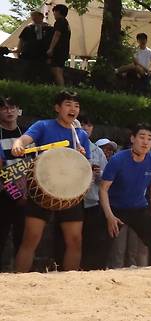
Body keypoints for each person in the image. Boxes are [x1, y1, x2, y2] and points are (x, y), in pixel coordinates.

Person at [11, 90, 90, 272]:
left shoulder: (81, 136)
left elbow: (85, 167)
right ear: (57, 107)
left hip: (71, 191)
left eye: (76, 105)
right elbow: (24, 139)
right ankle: (19, 280)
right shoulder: (43, 126)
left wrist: (82, 158)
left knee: (75, 241)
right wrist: (18, 144)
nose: (73, 109)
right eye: (68, 104)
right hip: (43, 187)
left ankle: (69, 283)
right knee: (31, 238)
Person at [99, 123, 151, 266]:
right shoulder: (118, 159)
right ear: (132, 139)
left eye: (149, 138)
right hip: (114, 207)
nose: (145, 142)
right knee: (99, 248)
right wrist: (109, 216)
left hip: (138, 208)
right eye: (141, 137)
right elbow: (103, 189)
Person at [78, 115, 111, 270]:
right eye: (83, 124)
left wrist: (99, 173)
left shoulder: (97, 151)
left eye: (89, 125)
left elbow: (106, 179)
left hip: (92, 201)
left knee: (92, 239)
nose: (86, 128)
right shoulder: (67, 148)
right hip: (70, 202)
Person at [0, 97, 26, 270]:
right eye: (4, 108)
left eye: (12, 107)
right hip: (3, 194)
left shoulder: (27, 135)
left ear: (18, 110)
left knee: (23, 238)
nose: (9, 111)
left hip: (27, 194)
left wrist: (25, 192)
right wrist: (15, 192)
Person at [46, 4, 71, 86]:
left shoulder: (60, 21)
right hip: (64, 50)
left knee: (57, 70)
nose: (54, 14)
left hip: (59, 50)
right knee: (57, 70)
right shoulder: (66, 22)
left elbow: (57, 34)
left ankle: (62, 90)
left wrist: (51, 48)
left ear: (58, 12)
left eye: (54, 12)